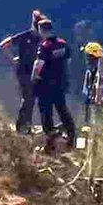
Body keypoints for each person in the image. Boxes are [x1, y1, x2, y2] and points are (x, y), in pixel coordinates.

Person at [31, 17, 77, 148]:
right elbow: (68, 59)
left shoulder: (45, 46)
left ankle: (50, 140)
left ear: (41, 30)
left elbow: (39, 64)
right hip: (60, 83)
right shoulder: (62, 43)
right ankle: (71, 134)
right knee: (62, 109)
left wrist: (34, 77)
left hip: (46, 84)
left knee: (46, 112)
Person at [0, 10, 45, 134]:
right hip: (24, 71)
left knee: (32, 98)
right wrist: (13, 59)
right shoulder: (26, 35)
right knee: (28, 97)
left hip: (34, 72)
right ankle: (21, 126)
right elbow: (4, 44)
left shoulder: (41, 39)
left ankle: (27, 125)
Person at [81, 41, 103, 125]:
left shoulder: (102, 74)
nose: (86, 59)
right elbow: (86, 96)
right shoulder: (89, 72)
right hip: (90, 109)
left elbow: (102, 94)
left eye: (87, 56)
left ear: (93, 57)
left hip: (100, 110)